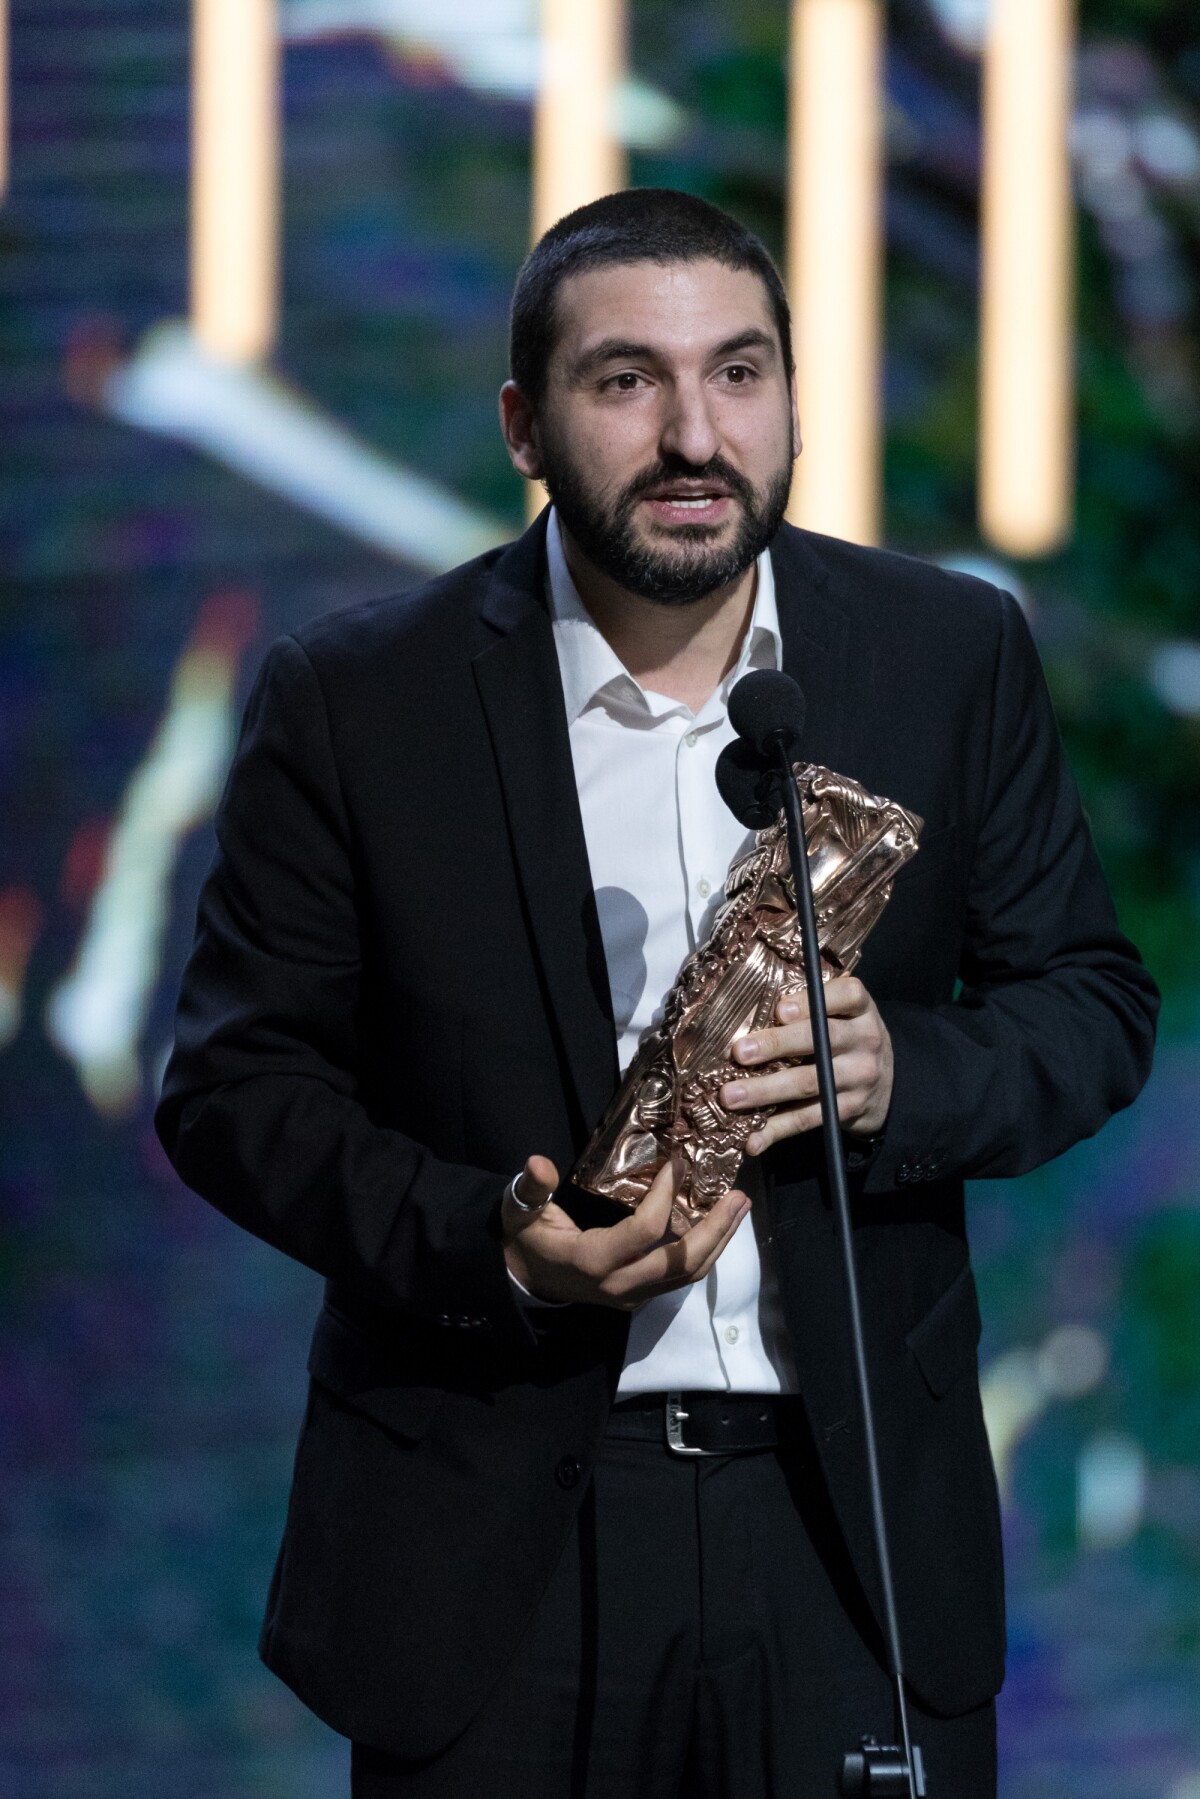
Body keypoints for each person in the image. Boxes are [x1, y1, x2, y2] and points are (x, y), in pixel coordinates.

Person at [156, 189, 1159, 1798]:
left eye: (740, 374)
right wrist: (493, 1241)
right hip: (498, 1541)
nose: (697, 433)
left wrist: (904, 1071)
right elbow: (233, 1090)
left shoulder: (943, 653)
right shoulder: (361, 699)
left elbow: (1092, 1006)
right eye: (628, 381)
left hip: (849, 1539)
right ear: (524, 426)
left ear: (793, 400)